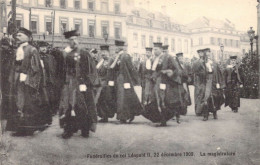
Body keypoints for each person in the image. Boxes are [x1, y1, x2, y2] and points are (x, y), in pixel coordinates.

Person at [7, 27, 50, 136]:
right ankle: (18, 128)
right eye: (17, 35)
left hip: (27, 83)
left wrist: (28, 79)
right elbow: (13, 65)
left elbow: (36, 68)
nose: (18, 37)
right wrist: (13, 78)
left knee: (27, 105)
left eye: (20, 35)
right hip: (17, 81)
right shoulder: (17, 49)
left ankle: (27, 130)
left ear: (27, 37)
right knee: (18, 104)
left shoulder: (32, 50)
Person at [59, 30, 98, 139]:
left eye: (76, 39)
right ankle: (68, 129)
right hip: (69, 83)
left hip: (81, 83)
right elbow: (62, 69)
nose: (74, 41)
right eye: (71, 39)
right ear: (68, 41)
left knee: (82, 106)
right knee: (67, 105)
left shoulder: (84, 53)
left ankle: (85, 129)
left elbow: (88, 69)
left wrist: (84, 83)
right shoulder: (65, 53)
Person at [142, 42, 182, 126]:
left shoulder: (168, 57)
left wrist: (168, 72)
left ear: (160, 49)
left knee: (163, 101)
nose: (154, 51)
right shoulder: (154, 59)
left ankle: (164, 120)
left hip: (165, 83)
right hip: (155, 83)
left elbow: (177, 70)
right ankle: (159, 118)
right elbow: (153, 71)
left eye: (156, 49)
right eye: (154, 50)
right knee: (155, 100)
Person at [110, 40, 142, 124]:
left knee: (123, 98)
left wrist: (136, 79)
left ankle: (124, 117)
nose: (115, 48)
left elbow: (131, 68)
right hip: (119, 79)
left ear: (120, 48)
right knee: (122, 98)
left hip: (125, 79)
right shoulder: (117, 57)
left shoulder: (125, 56)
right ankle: (127, 115)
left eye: (117, 47)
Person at [193, 48, 224, 121]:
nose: (208, 55)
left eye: (209, 53)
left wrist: (218, 83)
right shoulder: (201, 63)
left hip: (213, 82)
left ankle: (214, 113)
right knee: (206, 98)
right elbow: (196, 72)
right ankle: (205, 115)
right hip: (205, 82)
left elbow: (218, 73)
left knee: (215, 97)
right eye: (206, 54)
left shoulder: (214, 63)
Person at [37, 41, 59, 118]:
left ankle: (52, 110)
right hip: (42, 81)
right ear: (39, 48)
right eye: (42, 47)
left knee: (52, 96)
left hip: (51, 80)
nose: (44, 49)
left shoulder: (51, 57)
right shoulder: (37, 57)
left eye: (45, 47)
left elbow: (55, 69)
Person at [96, 45, 117, 122]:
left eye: (104, 52)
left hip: (107, 83)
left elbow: (111, 72)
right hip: (100, 82)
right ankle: (103, 116)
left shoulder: (111, 60)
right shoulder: (101, 61)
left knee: (106, 100)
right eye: (102, 52)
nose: (103, 54)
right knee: (100, 100)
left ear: (108, 52)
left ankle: (105, 116)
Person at [192, 49, 205, 116]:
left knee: (203, 95)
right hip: (198, 80)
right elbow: (194, 71)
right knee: (197, 95)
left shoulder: (205, 61)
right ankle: (198, 111)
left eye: (202, 53)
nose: (201, 54)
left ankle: (202, 110)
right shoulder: (196, 62)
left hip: (204, 80)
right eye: (199, 53)